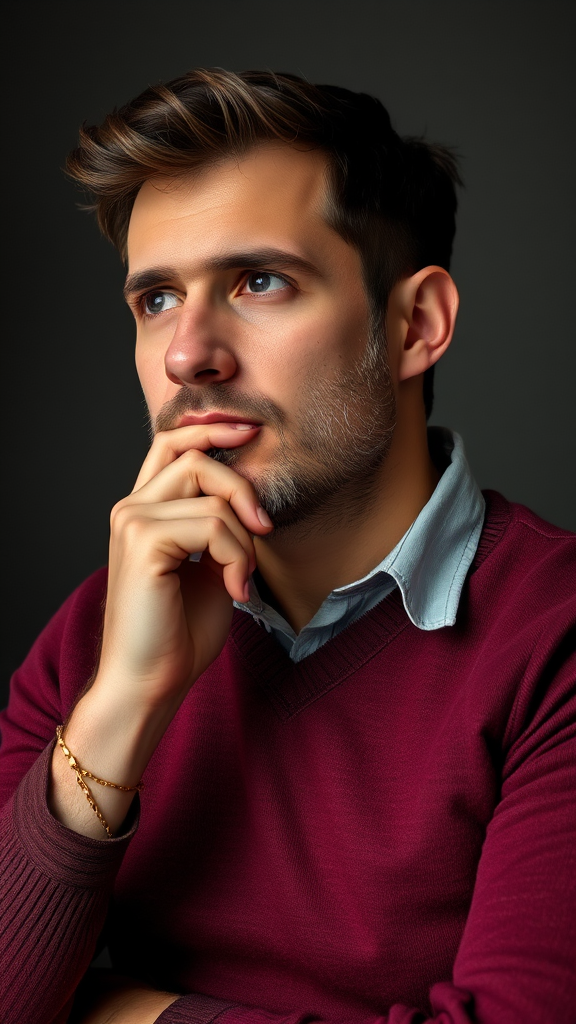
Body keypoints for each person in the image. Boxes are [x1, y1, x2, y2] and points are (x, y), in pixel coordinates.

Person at [0, 68, 574, 1024]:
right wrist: (123, 707)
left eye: (260, 282)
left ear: (415, 325)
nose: (189, 354)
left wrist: (122, 1012)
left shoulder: (550, 637)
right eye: (156, 301)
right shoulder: (103, 633)